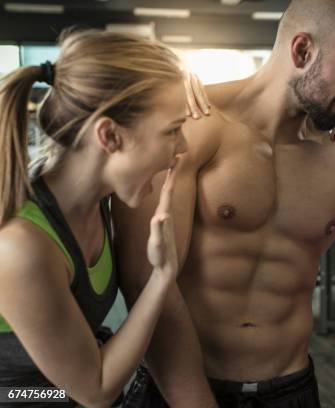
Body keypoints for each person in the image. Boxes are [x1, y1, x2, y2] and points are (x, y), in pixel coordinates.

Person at [114, 1, 335, 407]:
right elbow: (146, 284)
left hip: (291, 392)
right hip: (181, 389)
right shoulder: (188, 127)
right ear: (302, 51)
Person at [0, 29, 191, 407]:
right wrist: (162, 275)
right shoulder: (22, 245)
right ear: (109, 136)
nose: (183, 146)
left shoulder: (97, 201)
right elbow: (94, 389)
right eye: (172, 131)